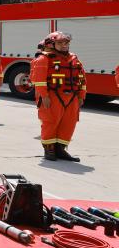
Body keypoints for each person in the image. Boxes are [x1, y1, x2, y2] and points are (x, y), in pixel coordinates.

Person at [31, 32, 86, 162]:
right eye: (60, 43)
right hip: (53, 96)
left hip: (72, 97)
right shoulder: (44, 59)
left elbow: (82, 78)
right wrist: (44, 96)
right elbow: (39, 80)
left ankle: (60, 149)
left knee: (69, 123)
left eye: (66, 43)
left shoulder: (74, 58)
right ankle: (49, 149)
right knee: (50, 122)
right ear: (52, 44)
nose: (64, 45)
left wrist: (81, 95)